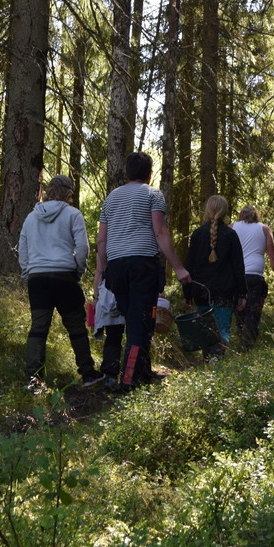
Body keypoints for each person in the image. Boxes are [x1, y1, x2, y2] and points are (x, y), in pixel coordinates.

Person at [96, 151, 190, 392]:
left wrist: (102, 273)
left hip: (116, 268)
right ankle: (129, 381)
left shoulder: (111, 198)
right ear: (149, 173)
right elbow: (160, 232)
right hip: (142, 265)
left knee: (137, 320)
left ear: (128, 172)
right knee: (139, 325)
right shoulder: (153, 194)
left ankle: (143, 372)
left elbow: (102, 241)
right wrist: (179, 267)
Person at [18, 175, 101, 389]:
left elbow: (23, 250)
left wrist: (29, 272)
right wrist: (78, 271)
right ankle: (88, 374)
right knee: (76, 326)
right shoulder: (73, 214)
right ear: (68, 192)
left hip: (38, 279)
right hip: (65, 276)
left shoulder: (31, 218)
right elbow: (82, 248)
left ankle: (33, 379)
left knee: (38, 327)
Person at [184, 196, 247, 353]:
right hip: (225, 291)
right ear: (225, 211)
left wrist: (188, 293)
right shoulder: (230, 235)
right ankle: (217, 360)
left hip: (201, 291)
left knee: (206, 329)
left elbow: (189, 266)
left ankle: (209, 361)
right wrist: (242, 293)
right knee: (223, 328)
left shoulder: (197, 235)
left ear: (207, 210)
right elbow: (238, 267)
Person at [232, 204, 274, 345]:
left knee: (239, 310)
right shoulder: (264, 229)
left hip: (236, 277)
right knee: (253, 311)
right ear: (256, 215)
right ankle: (248, 344)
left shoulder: (232, 227)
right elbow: (273, 257)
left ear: (241, 214)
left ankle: (242, 341)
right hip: (255, 277)